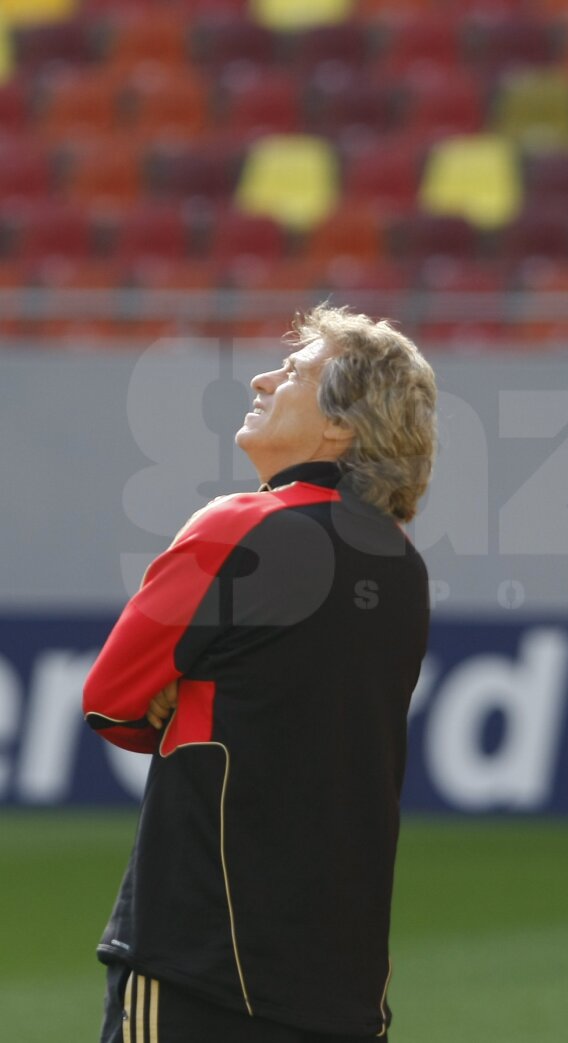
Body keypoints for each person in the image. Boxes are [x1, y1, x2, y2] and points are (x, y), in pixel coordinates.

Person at [82, 304, 437, 1043]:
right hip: (342, 977)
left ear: (341, 425)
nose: (263, 376)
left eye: (297, 371)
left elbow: (112, 700)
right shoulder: (405, 568)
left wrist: (186, 698)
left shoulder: (237, 525)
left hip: (200, 956)